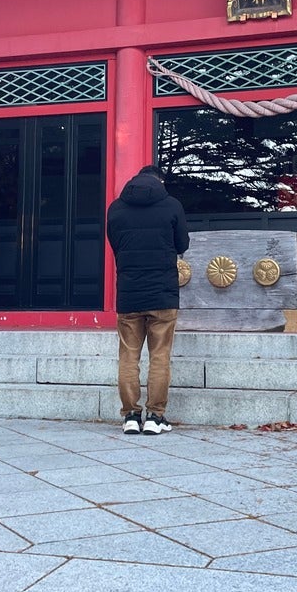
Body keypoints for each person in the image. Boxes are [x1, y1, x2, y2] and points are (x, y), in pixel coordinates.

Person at [105, 164, 190, 435]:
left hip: (129, 294)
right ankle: (155, 417)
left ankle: (130, 416)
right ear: (160, 181)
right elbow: (183, 244)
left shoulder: (116, 208)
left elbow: (116, 245)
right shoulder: (172, 205)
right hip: (163, 294)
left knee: (128, 357)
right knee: (160, 356)